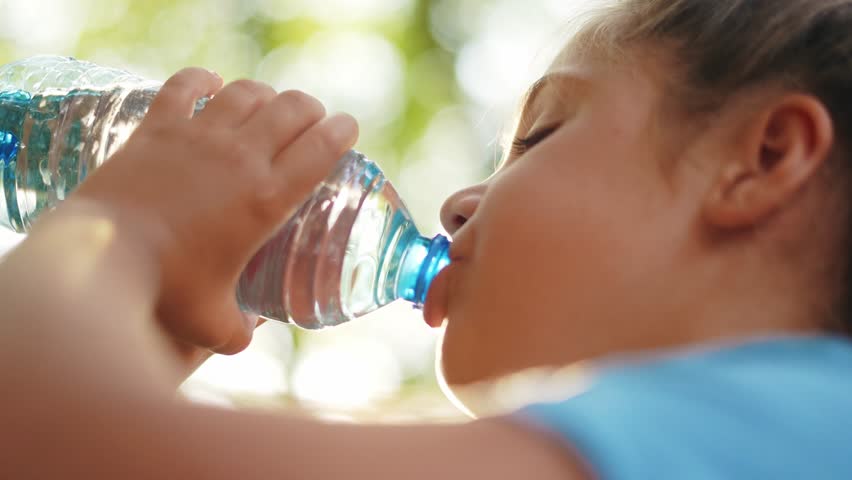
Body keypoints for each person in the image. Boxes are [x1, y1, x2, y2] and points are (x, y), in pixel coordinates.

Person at [3, 0, 852, 477]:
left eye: (540, 136)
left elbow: (49, 436)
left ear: (764, 159)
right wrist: (137, 335)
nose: (456, 205)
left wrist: (126, 229)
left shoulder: (813, 424)